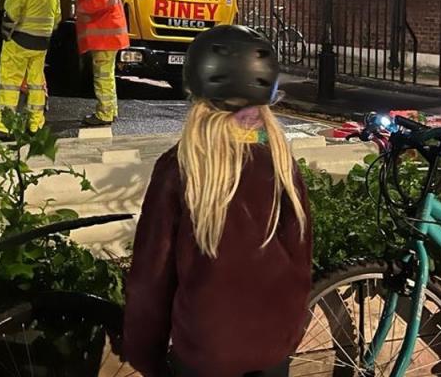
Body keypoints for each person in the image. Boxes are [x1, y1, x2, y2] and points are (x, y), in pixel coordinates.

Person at [124, 25, 312, 377]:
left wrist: (144, 353)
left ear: (197, 97)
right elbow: (300, 263)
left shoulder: (180, 168)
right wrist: (287, 337)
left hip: (203, 353)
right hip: (272, 351)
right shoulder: (282, 166)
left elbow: (151, 278)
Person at [0, 0, 60, 137]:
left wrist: (6, 36)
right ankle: (35, 124)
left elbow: (11, 15)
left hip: (19, 42)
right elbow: (57, 18)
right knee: (36, 83)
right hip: (41, 44)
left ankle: (4, 126)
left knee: (9, 83)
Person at [74, 0, 129, 127]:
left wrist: (80, 8)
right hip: (107, 38)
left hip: (104, 39)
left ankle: (104, 114)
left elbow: (101, 1)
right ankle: (110, 110)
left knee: (102, 77)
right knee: (107, 76)